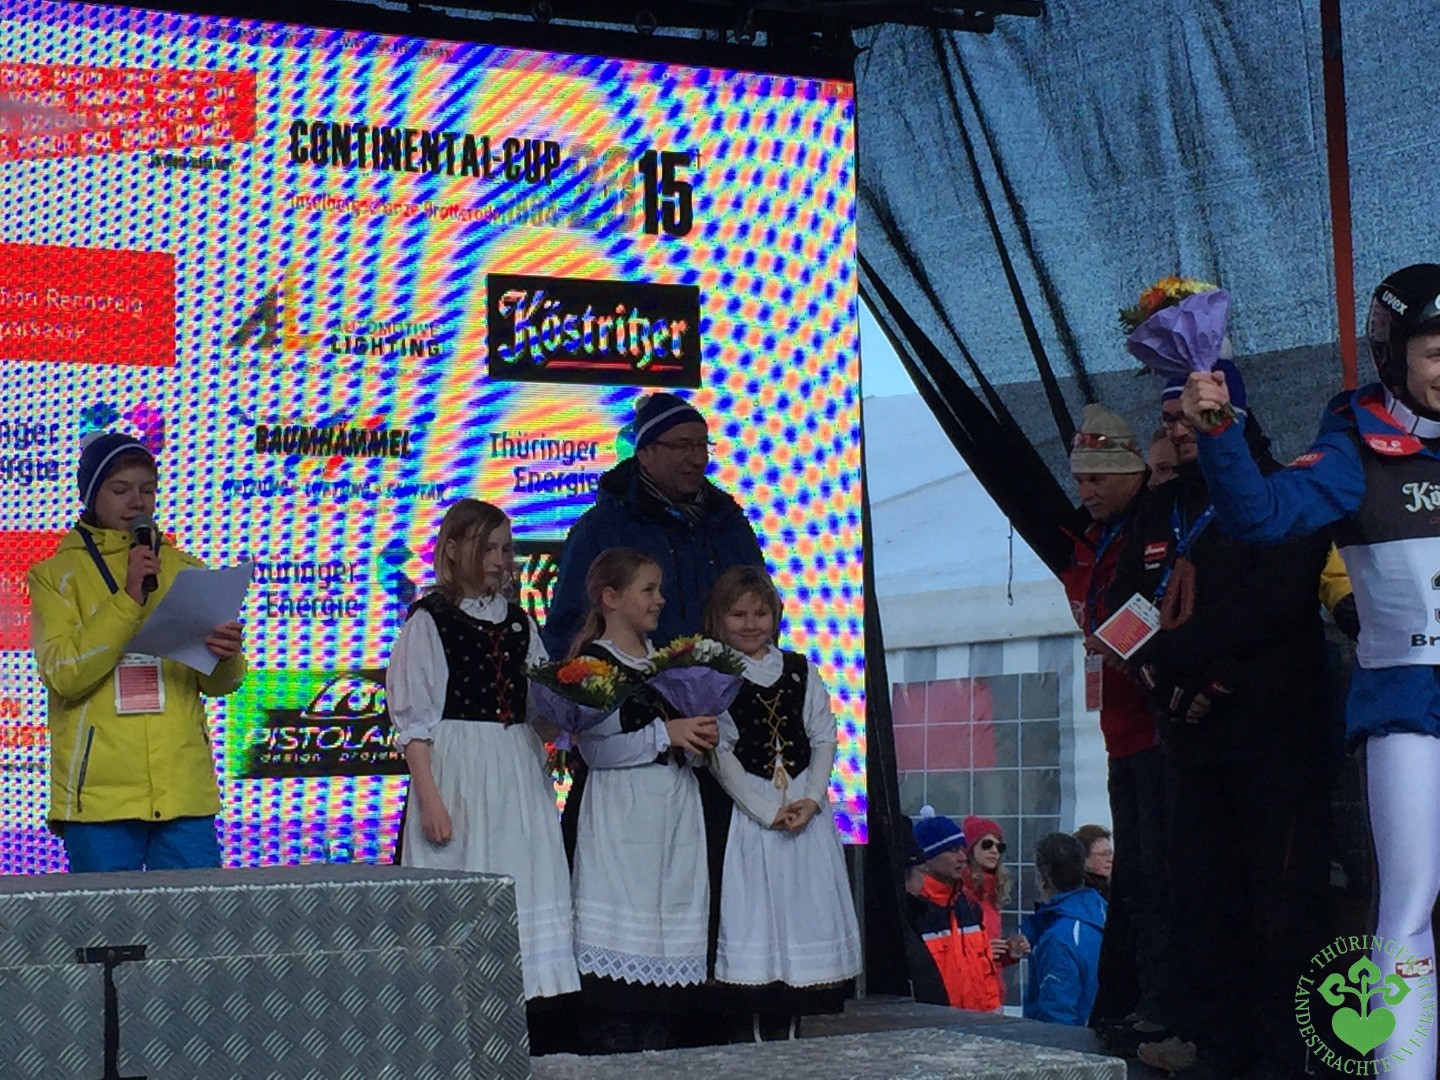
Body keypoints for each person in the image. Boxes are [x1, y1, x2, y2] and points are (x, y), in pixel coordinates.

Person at [1179, 263, 1440, 1079]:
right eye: (1437, 353)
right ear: (1391, 353)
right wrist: (1218, 429)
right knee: (1409, 902)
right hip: (1411, 702)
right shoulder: (1355, 442)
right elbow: (1258, 517)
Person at [1105, 359, 1333, 1078]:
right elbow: (1125, 602)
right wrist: (1154, 672)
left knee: (1280, 900)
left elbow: (1277, 604)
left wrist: (1209, 675)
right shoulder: (1166, 507)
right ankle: (1215, 1043)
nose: (1176, 431)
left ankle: (1287, 1054)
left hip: (1273, 741)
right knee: (1204, 894)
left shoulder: (1280, 488)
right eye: (1167, 420)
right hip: (1189, 740)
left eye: (1188, 417)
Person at [385, 499, 579, 1006]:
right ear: (452, 550)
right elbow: (414, 726)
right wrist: (430, 801)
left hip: (516, 770)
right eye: (487, 548)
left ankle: (519, 1007)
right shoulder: (430, 621)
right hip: (459, 773)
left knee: (522, 876)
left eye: (505, 549)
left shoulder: (519, 623)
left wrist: (574, 709)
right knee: (463, 879)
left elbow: (538, 708)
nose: (499, 559)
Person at [28, 432, 246, 873]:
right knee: (106, 920)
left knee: (194, 916)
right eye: (120, 489)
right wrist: (129, 598)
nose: (137, 502)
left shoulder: (186, 569)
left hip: (184, 793)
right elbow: (64, 675)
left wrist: (226, 657)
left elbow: (220, 685)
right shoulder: (56, 575)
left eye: (147, 489)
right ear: (90, 495)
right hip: (100, 800)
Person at [567, 548, 719, 1052]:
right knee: (617, 990)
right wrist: (664, 734)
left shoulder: (669, 664)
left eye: (660, 589)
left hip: (672, 815)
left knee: (663, 992)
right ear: (611, 598)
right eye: (648, 590)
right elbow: (595, 751)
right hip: (621, 815)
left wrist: (697, 742)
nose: (660, 599)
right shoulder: (593, 664)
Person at [705, 565, 860, 1040]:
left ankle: (789, 1032)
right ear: (719, 619)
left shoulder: (799, 670)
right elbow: (721, 753)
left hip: (803, 818)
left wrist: (811, 799)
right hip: (752, 821)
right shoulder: (714, 676)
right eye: (738, 615)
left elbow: (823, 737)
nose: (751, 624)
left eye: (760, 613)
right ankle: (754, 1035)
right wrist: (764, 809)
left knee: (800, 916)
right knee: (755, 920)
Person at [1057, 404, 1167, 1035]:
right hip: (1120, 733)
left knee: (1156, 876)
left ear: (1133, 472)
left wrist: (1116, 641)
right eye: (1079, 478)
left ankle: (1161, 1006)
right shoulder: (1090, 539)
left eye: (1098, 477)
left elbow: (1156, 607)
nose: (1086, 489)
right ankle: (1139, 1003)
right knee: (1137, 877)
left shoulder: (1149, 529)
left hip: (1158, 728)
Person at [542, 393, 766, 654]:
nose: (697, 458)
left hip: (729, 678)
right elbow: (568, 626)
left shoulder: (728, 522)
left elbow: (764, 603)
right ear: (646, 453)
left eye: (701, 445)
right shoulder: (602, 528)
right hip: (634, 677)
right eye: (682, 446)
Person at [908, 807, 1002, 1013]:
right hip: (935, 1026)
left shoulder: (968, 907)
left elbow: (985, 971)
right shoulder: (913, 912)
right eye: (952, 850)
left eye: (962, 849)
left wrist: (994, 1012)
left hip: (976, 1024)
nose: (962, 857)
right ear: (927, 857)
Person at [1021, 833, 1106, 1027]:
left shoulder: (1060, 938)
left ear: (1044, 875)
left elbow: (1056, 1017)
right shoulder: (1103, 911)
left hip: (1073, 1039)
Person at [959, 814, 1018, 1007]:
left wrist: (1010, 952)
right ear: (970, 849)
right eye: (986, 845)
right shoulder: (960, 894)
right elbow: (952, 954)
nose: (994, 851)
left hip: (992, 994)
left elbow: (991, 955)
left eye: (999, 847)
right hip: (970, 997)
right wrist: (984, 952)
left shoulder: (991, 895)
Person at [1075, 824, 1114, 896]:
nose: (1110, 859)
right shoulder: (1079, 892)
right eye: (1103, 854)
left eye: (1111, 853)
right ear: (1084, 857)